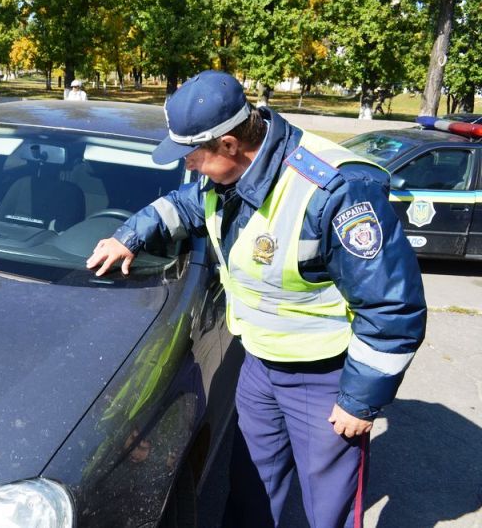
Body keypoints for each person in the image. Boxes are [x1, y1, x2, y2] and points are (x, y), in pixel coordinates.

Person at [86, 70, 427, 528]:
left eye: (192, 155)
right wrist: (129, 236)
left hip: (325, 381)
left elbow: (393, 307)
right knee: (252, 494)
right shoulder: (225, 178)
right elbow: (186, 205)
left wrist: (360, 400)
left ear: (229, 144)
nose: (188, 165)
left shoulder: (333, 191)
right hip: (259, 366)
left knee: (327, 510)